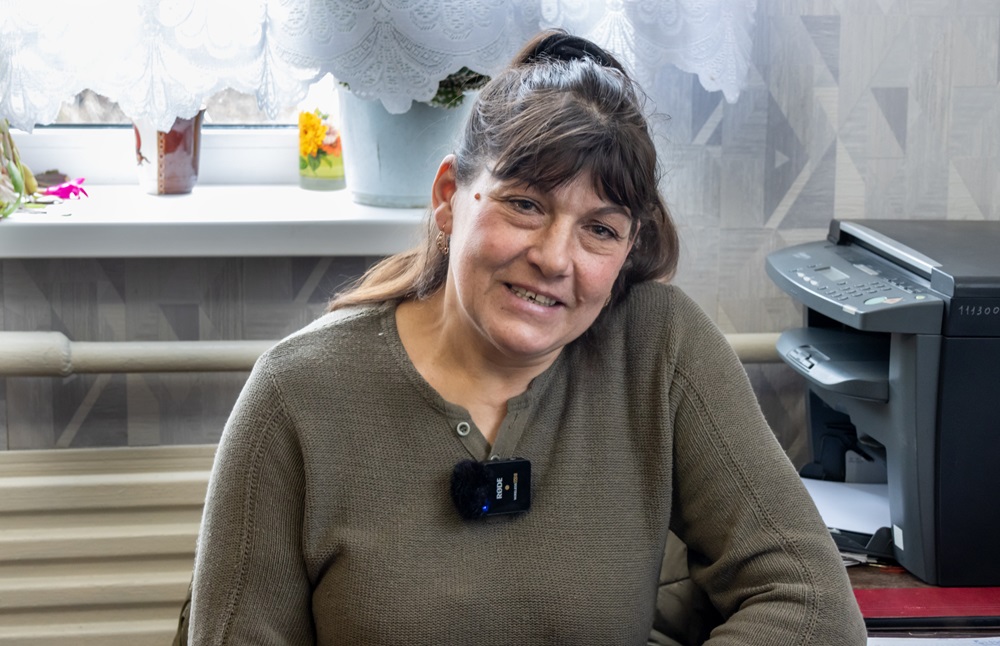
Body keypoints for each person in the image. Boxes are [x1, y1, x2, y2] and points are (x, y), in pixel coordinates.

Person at [182, 30, 867, 645]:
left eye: (599, 230)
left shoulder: (660, 347)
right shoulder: (296, 395)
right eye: (525, 205)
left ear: (628, 249)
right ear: (449, 198)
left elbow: (813, 606)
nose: (555, 258)